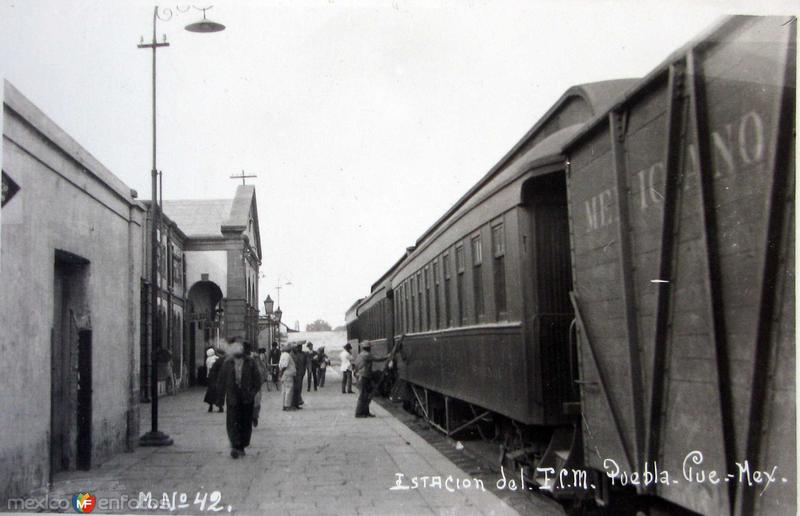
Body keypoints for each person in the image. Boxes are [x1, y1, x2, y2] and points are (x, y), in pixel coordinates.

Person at [216, 339, 262, 458]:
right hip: (232, 397)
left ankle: (242, 445)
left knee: (245, 422)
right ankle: (235, 445)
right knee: (232, 422)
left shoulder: (250, 362)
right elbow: (221, 381)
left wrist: (252, 393)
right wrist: (220, 399)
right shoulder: (228, 363)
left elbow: (258, 380)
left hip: (247, 397)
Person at [353, 343, 388, 418]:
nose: (370, 349)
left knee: (365, 395)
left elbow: (355, 365)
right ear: (368, 348)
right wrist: (388, 356)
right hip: (364, 377)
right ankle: (359, 413)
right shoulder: (367, 355)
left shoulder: (360, 354)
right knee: (363, 395)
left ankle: (366, 412)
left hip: (361, 376)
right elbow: (379, 359)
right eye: (370, 347)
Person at [251, 343, 268, 427]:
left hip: (253, 388)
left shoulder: (250, 364)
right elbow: (264, 374)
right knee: (256, 403)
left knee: (254, 403)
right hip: (256, 388)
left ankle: (253, 417)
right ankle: (254, 416)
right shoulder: (260, 365)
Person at [278, 342, 297, 411]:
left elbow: (281, 365)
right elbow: (285, 365)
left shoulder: (282, 355)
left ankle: (283, 405)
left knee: (284, 390)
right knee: (289, 390)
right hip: (288, 374)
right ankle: (287, 406)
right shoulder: (287, 355)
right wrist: (281, 372)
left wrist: (280, 373)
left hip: (285, 375)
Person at [292, 342, 308, 408]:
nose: (300, 348)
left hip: (301, 373)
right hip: (296, 373)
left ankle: (298, 402)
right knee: (296, 388)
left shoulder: (304, 354)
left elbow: (306, 363)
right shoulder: (294, 355)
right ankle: (296, 402)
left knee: (300, 387)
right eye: (298, 347)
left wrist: (305, 370)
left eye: (301, 347)